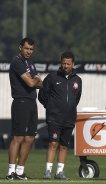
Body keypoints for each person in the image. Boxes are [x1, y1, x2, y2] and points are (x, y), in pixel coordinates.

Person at [38, 51, 82, 180]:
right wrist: (51, 107)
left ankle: (59, 172)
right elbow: (42, 96)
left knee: (64, 145)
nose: (66, 66)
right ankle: (47, 171)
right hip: (54, 117)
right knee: (53, 143)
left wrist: (69, 108)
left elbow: (76, 98)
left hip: (69, 118)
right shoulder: (52, 77)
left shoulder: (78, 80)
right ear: (60, 63)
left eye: (68, 64)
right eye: (64, 63)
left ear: (73, 64)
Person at [7, 37, 43, 180]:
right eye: (26, 48)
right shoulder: (17, 62)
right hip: (20, 102)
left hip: (32, 102)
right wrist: (36, 80)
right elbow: (30, 83)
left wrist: (36, 80)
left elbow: (40, 84)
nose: (29, 51)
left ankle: (20, 171)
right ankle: (11, 172)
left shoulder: (30, 63)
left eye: (31, 49)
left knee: (30, 138)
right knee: (18, 137)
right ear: (20, 48)